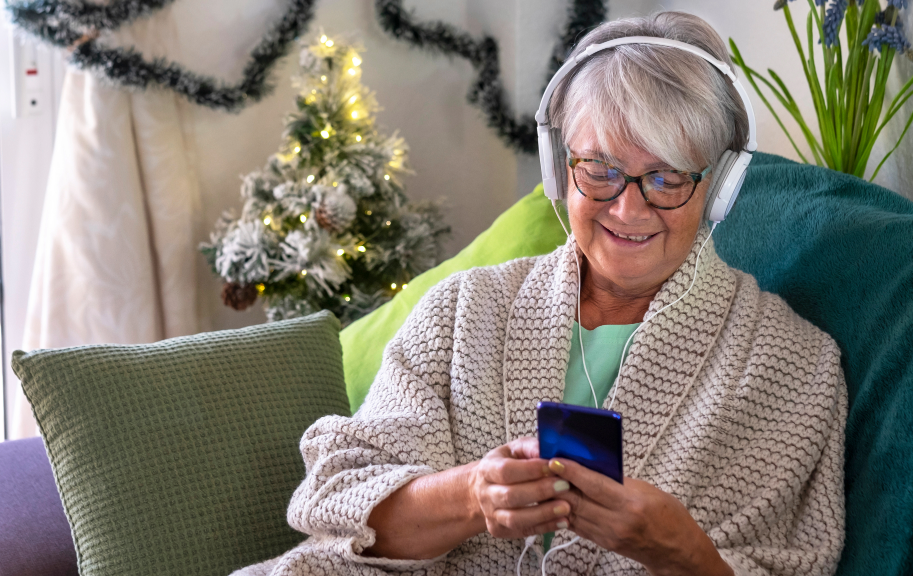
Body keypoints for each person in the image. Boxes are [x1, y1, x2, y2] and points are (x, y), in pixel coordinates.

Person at [235, 11, 846, 576]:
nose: (628, 208)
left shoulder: (792, 367)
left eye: (665, 178)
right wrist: (472, 495)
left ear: (717, 190)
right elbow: (343, 506)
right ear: (560, 170)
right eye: (600, 170)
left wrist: (679, 549)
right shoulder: (464, 310)